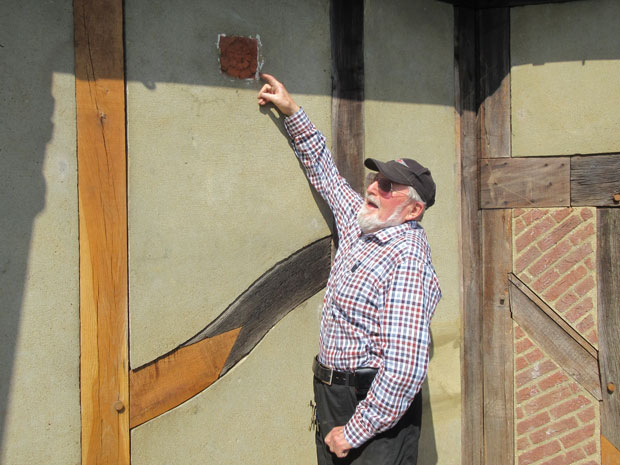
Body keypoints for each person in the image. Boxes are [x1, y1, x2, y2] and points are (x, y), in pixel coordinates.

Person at [258, 73, 441, 465]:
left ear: (413, 210)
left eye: (389, 186)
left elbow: (406, 366)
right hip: (333, 396)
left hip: (373, 406)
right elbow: (327, 176)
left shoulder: (407, 256)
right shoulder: (363, 223)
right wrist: (292, 112)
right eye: (378, 178)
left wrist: (356, 429)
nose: (375, 187)